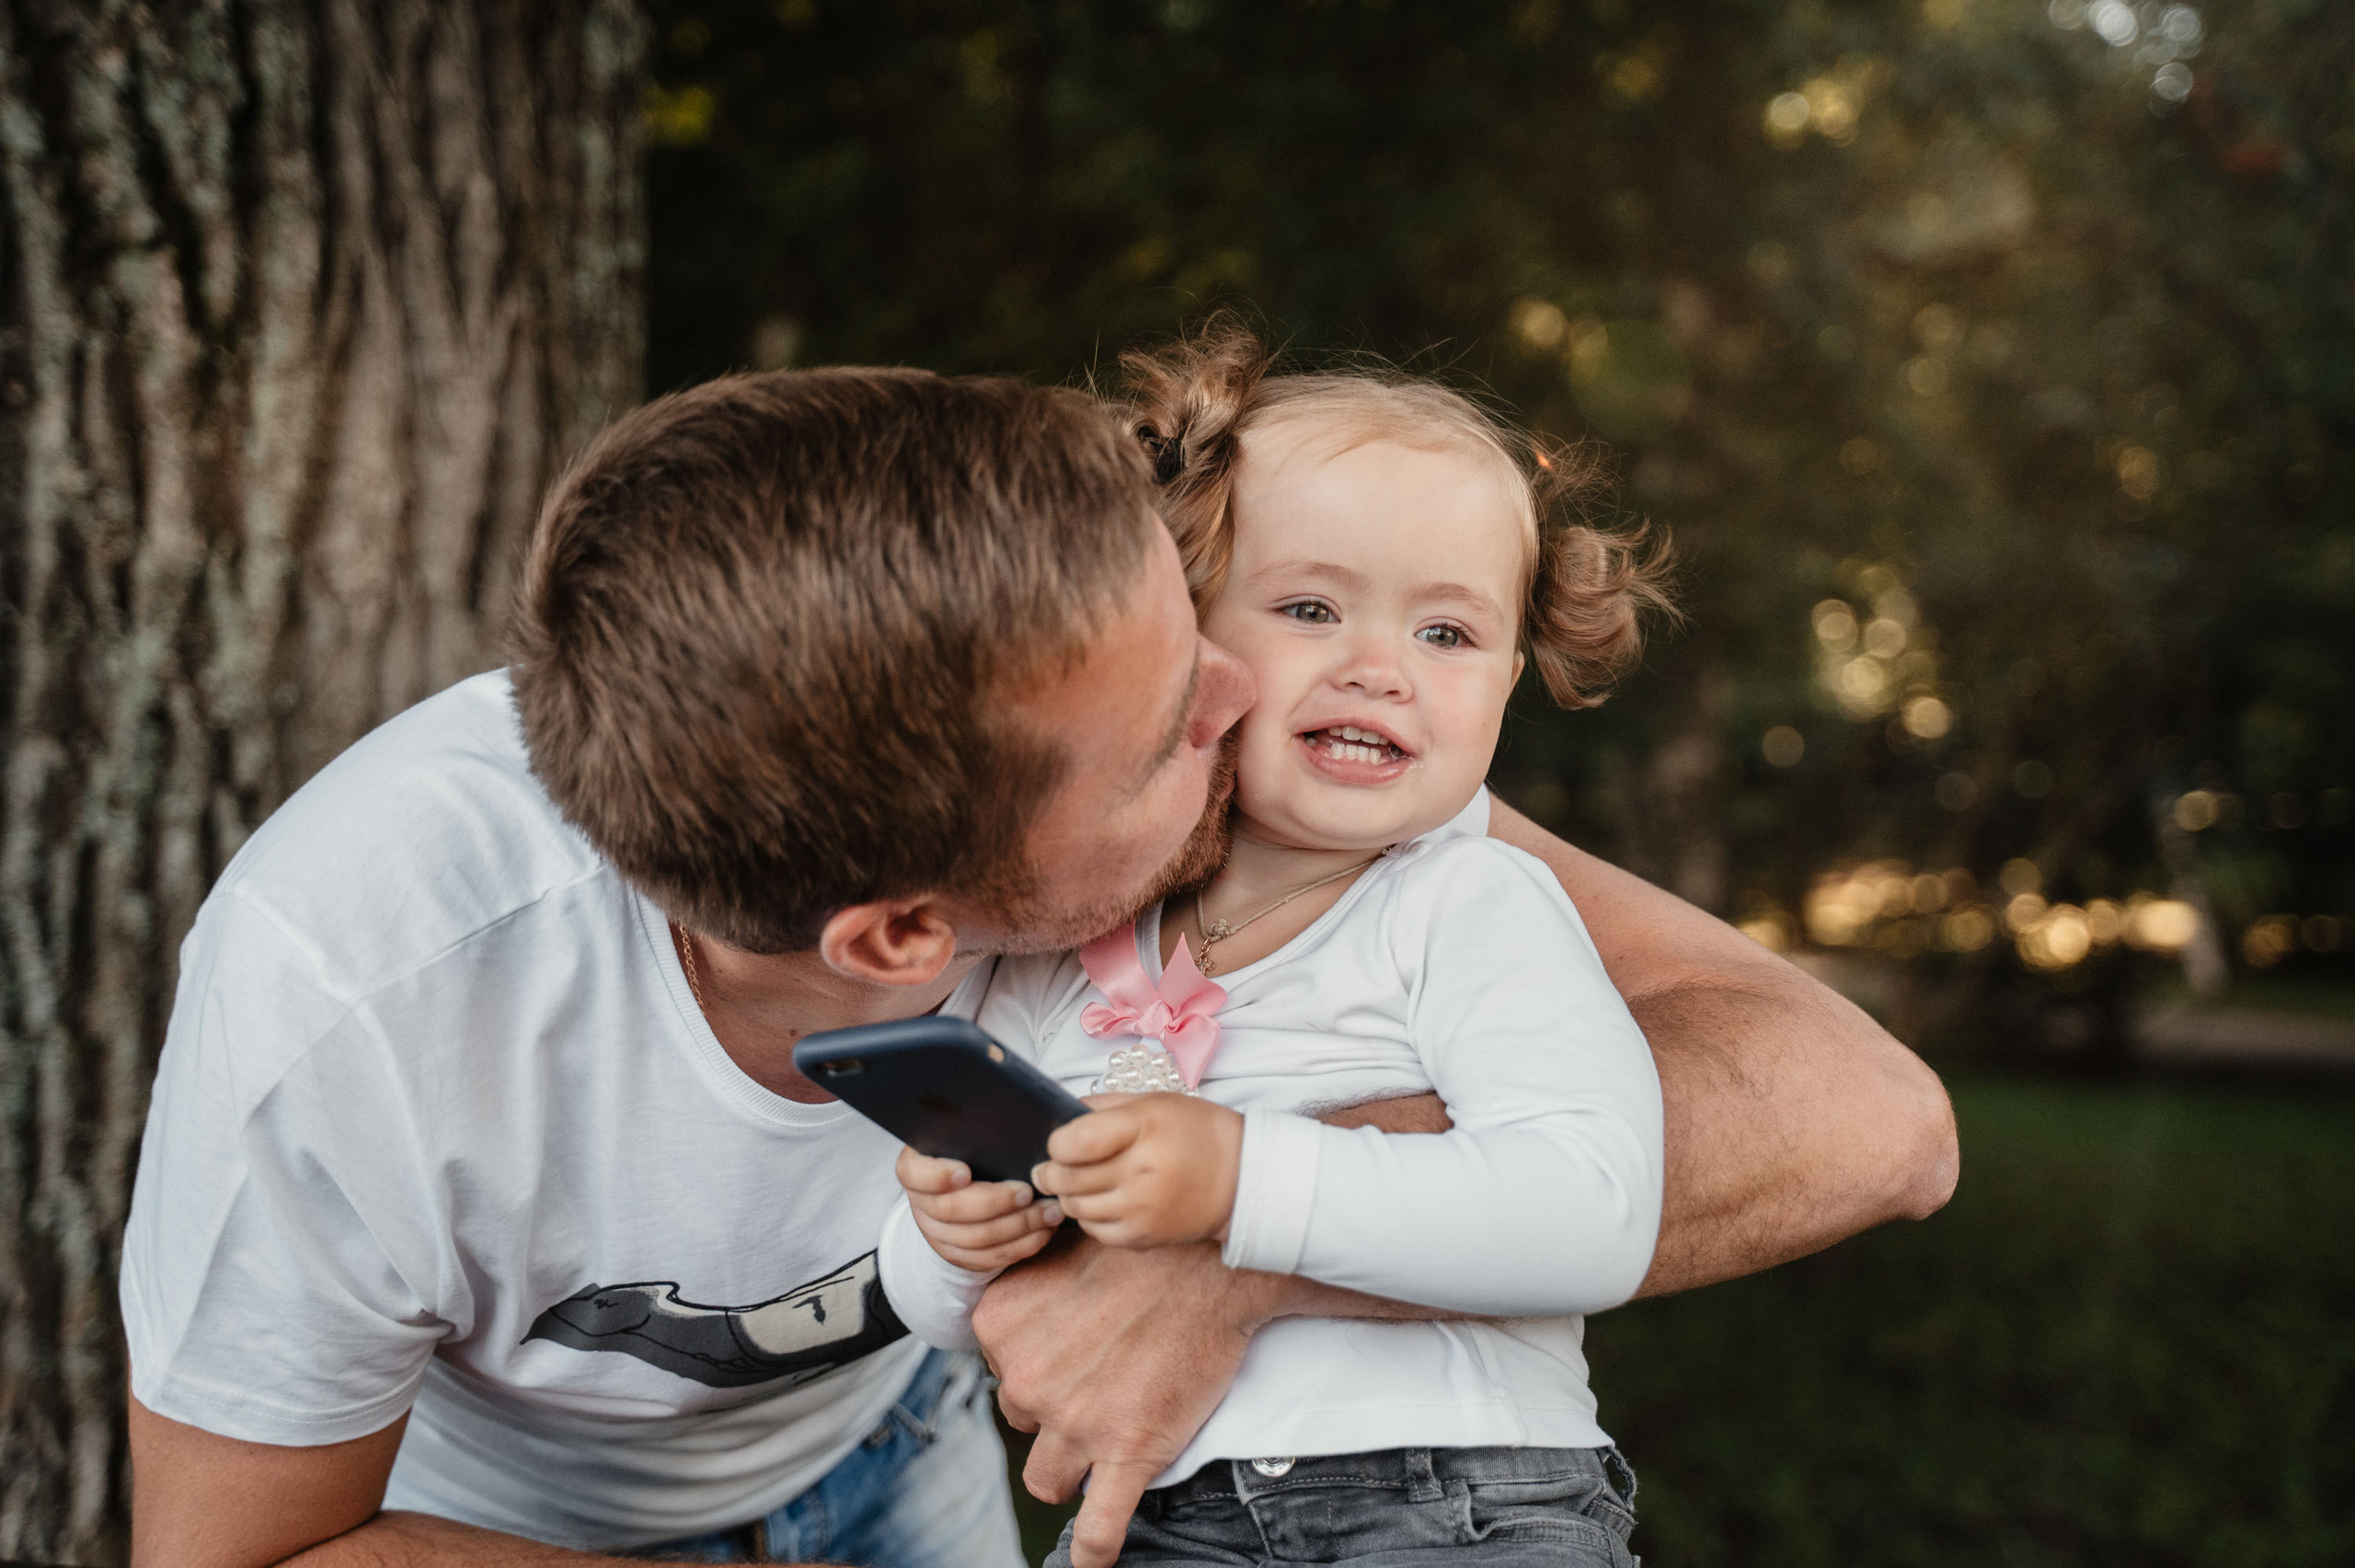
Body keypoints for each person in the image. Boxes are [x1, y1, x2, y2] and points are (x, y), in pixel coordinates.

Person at [121, 366, 1957, 1568]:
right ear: (904, 938)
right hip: (484, 1528)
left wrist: (1243, 1255)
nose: (1250, 705)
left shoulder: (1106, 665)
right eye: (1172, 730)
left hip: (915, 1442)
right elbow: (246, 1555)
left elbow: (1866, 1117)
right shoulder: (353, 994)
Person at [893, 332, 1667, 1567]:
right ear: (1179, 635)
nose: (1380, 669)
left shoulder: (1468, 904)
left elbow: (1597, 1210)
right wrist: (947, 1237)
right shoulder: (1062, 946)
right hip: (1160, 1521)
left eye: (1447, 635)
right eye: (1311, 609)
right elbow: (942, 1313)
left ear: (1510, 683)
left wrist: (1243, 1180)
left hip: (1454, 1502)